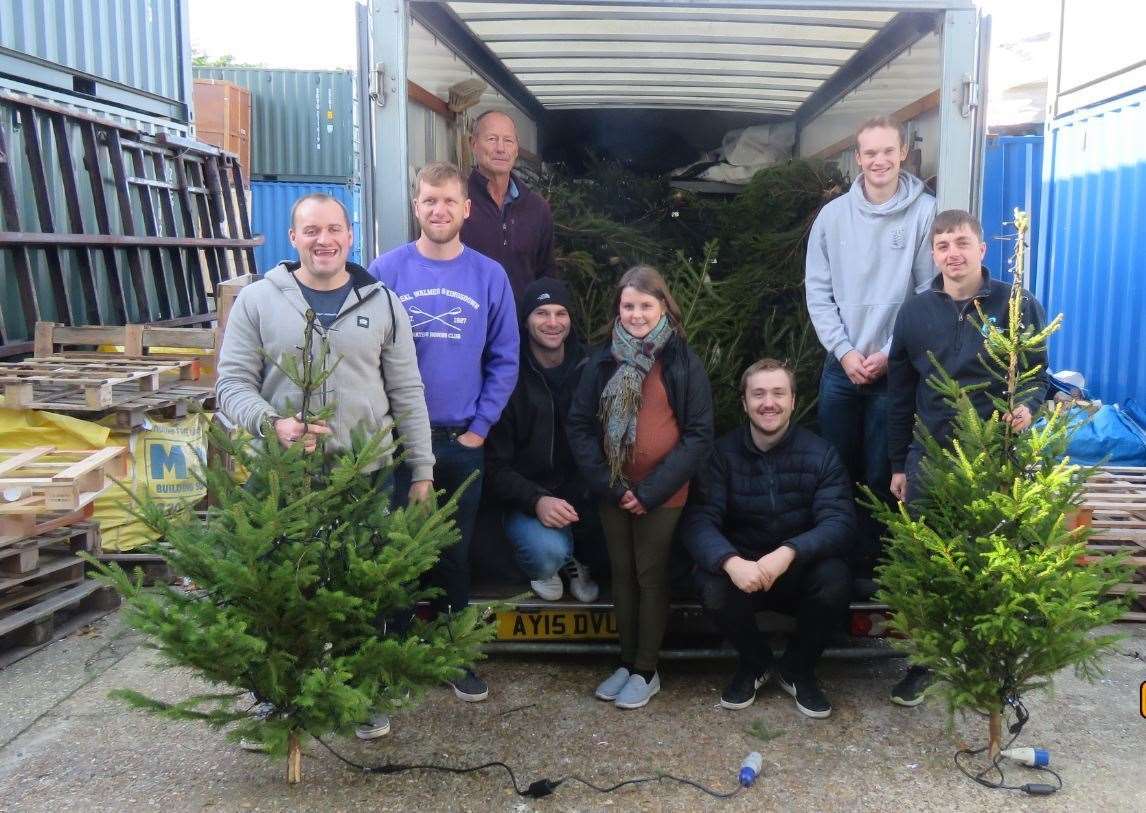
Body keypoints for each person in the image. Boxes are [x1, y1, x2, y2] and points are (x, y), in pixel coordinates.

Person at [217, 192, 434, 742]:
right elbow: (231, 386)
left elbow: (407, 391)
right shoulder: (259, 301)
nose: (324, 240)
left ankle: (357, 696)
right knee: (285, 591)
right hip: (285, 479)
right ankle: (282, 696)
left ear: (350, 235)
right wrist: (273, 424)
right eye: (311, 230)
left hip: (368, 475)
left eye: (334, 229)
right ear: (293, 239)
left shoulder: (382, 301)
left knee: (363, 591)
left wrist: (424, 468)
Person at [368, 161, 519, 704]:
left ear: (466, 209)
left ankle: (455, 657)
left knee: (455, 552)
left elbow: (505, 358)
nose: (439, 210)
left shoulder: (489, 276)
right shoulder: (384, 272)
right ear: (417, 206)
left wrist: (480, 428)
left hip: (460, 441)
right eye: (429, 200)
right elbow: (365, 356)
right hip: (397, 443)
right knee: (396, 552)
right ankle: (399, 659)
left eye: (449, 201)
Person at [885, 209, 1048, 706]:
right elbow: (898, 394)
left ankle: (993, 665)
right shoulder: (914, 313)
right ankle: (924, 663)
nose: (952, 254)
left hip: (997, 456)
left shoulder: (1016, 305)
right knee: (929, 559)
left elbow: (1039, 374)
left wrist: (1027, 405)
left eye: (961, 242)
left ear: (981, 248)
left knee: (994, 560)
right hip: (931, 454)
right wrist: (897, 464)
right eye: (942, 246)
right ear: (933, 255)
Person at [568, 265, 713, 710]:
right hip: (615, 490)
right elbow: (579, 424)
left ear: (663, 306)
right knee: (623, 576)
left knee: (650, 577)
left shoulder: (682, 361)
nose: (636, 314)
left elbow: (698, 434)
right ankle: (626, 661)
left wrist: (649, 491)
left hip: (662, 495)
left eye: (645, 305)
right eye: (628, 305)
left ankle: (647, 669)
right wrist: (611, 485)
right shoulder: (603, 360)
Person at [682, 359, 855, 718]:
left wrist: (789, 552)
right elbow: (698, 521)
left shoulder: (821, 453)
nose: (768, 402)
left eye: (778, 393)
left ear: (793, 400)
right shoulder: (720, 454)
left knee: (836, 578)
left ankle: (798, 668)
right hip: (743, 571)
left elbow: (838, 523)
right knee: (708, 581)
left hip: (797, 569)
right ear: (744, 403)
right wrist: (731, 563)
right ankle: (755, 662)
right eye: (758, 394)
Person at [804, 115, 936, 573]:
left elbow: (926, 295)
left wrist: (888, 352)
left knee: (884, 474)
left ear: (903, 153)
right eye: (869, 153)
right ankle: (832, 562)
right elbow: (817, 292)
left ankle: (873, 569)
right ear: (857, 159)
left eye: (887, 151)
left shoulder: (926, 214)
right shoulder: (832, 217)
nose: (879, 160)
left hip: (893, 369)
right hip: (841, 367)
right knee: (835, 469)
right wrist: (844, 352)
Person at [485, 277, 602, 602]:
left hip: (583, 498)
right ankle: (551, 564)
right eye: (542, 313)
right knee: (547, 551)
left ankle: (578, 558)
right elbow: (493, 465)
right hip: (526, 501)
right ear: (526, 320)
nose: (552, 322)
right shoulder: (508, 376)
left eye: (560, 313)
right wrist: (536, 500)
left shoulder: (592, 368)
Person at [460, 110, 558, 300]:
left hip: (522, 324)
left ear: (516, 149)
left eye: (508, 141)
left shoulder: (537, 208)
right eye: (492, 139)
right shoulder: (456, 203)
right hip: (471, 323)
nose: (500, 148)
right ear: (473, 144)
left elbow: (547, 273)